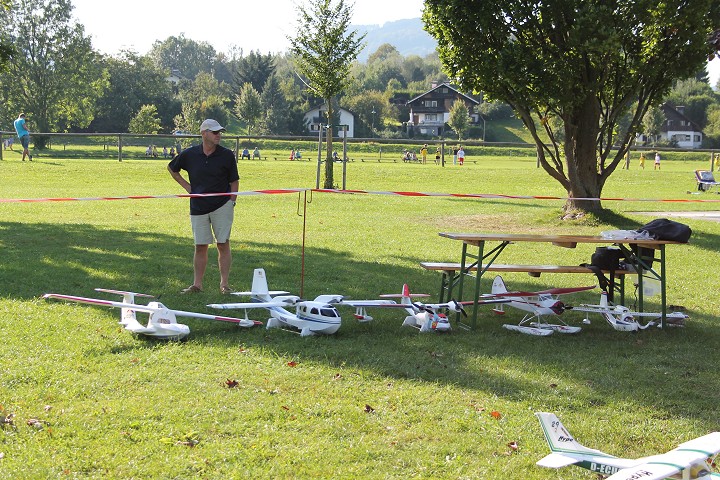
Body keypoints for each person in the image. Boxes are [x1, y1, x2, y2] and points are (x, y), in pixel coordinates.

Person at [167, 119, 239, 295]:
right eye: (215, 132)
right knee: (200, 246)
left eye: (220, 132)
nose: (218, 135)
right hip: (198, 206)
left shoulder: (227, 155)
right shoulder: (190, 154)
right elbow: (172, 168)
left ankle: (225, 285)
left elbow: (234, 181)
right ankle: (197, 285)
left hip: (222, 205)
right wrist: (187, 187)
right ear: (204, 133)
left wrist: (232, 201)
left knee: (223, 244)